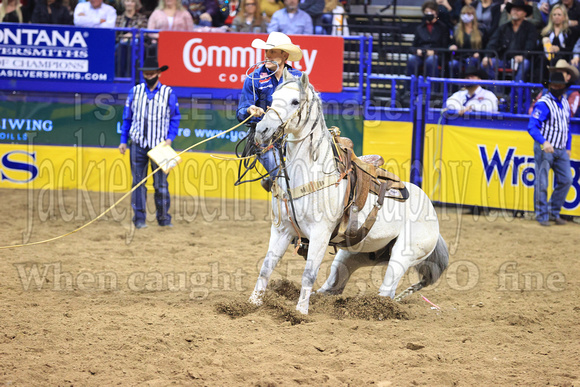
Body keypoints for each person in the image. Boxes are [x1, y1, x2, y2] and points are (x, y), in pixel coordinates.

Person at [119, 57, 181, 229]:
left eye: (152, 73)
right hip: (137, 143)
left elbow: (175, 117)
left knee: (161, 184)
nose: (149, 76)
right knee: (138, 183)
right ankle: (139, 219)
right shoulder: (135, 92)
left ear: (159, 73)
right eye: (146, 74)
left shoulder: (168, 93)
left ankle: (164, 219)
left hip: (161, 145)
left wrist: (170, 138)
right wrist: (123, 141)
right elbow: (127, 118)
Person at [236, 31, 303, 191]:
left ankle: (271, 180)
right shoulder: (254, 78)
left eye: (273, 52)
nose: (268, 55)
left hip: (291, 137)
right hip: (265, 139)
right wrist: (250, 110)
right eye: (267, 51)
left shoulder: (297, 78)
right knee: (284, 179)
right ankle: (276, 181)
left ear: (285, 56)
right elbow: (240, 112)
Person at [527, 71, 573, 226]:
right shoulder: (543, 103)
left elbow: (567, 126)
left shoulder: (565, 103)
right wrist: (544, 142)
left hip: (560, 148)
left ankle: (553, 212)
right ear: (550, 86)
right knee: (542, 182)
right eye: (554, 85)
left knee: (567, 180)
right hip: (545, 148)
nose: (556, 87)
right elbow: (532, 127)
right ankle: (542, 215)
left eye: (559, 85)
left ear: (563, 87)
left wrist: (568, 146)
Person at [482, 0, 537, 81]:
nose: (515, 12)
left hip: (520, 61)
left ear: (524, 13)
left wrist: (523, 56)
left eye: (518, 10)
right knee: (485, 64)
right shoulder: (503, 28)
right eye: (514, 9)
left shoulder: (530, 28)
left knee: (525, 63)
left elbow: (531, 44)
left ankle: (515, 91)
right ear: (510, 12)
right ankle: (497, 90)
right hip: (503, 60)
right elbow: (493, 42)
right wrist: (487, 56)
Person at [407, 1, 450, 79]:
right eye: (426, 11)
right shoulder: (419, 28)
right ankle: (410, 88)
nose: (429, 13)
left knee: (431, 60)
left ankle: (432, 89)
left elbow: (445, 46)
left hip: (437, 55)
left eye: (431, 11)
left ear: (436, 13)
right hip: (421, 55)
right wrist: (417, 51)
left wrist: (434, 52)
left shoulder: (443, 27)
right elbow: (413, 46)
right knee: (412, 59)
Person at [449, 5, 488, 78]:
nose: (466, 16)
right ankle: (455, 87)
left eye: (469, 14)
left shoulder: (481, 29)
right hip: (459, 57)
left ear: (473, 15)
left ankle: (469, 86)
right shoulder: (457, 29)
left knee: (470, 62)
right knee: (453, 64)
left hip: (475, 58)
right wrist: (453, 49)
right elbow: (453, 47)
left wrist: (479, 53)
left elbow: (485, 45)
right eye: (464, 14)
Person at [115, 0, 148, 77]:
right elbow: (116, 34)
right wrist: (125, 37)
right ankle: (120, 76)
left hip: (136, 43)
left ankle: (133, 76)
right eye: (127, 1)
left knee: (134, 47)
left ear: (135, 4)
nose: (129, 3)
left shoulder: (141, 18)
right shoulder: (119, 18)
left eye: (132, 1)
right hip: (121, 43)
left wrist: (131, 35)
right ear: (124, 3)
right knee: (119, 47)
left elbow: (143, 32)